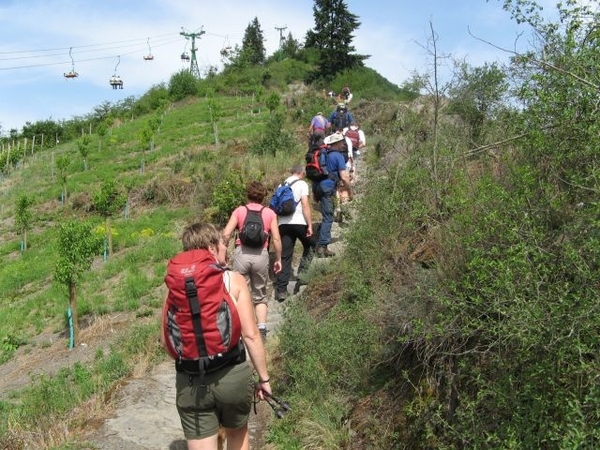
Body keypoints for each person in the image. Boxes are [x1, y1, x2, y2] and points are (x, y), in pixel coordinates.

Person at [161, 222, 272, 450]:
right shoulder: (233, 280)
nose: (225, 248)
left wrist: (194, 359)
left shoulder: (175, 287)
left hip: (190, 382)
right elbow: (250, 336)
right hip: (232, 374)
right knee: (237, 434)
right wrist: (264, 379)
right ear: (212, 247)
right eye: (223, 243)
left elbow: (166, 342)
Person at [223, 181, 282, 341]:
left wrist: (223, 254)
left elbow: (227, 233)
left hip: (241, 253)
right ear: (263, 196)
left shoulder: (240, 211)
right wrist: (278, 259)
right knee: (260, 294)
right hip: (261, 255)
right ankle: (261, 329)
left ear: (247, 195)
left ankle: (239, 328)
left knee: (236, 293)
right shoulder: (270, 213)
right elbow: (276, 238)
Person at [274, 165, 314, 301]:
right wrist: (309, 224)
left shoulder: (282, 184)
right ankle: (302, 275)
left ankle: (281, 291)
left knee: (285, 256)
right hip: (299, 222)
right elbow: (305, 205)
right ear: (301, 172)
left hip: (283, 224)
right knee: (311, 245)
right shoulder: (302, 184)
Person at [312, 133, 353, 257]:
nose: (343, 144)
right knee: (328, 217)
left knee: (325, 214)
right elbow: (344, 177)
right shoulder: (338, 156)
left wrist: (315, 192)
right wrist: (350, 192)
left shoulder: (322, 155)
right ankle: (322, 247)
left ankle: (319, 240)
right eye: (341, 142)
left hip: (318, 187)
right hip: (327, 188)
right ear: (335, 144)